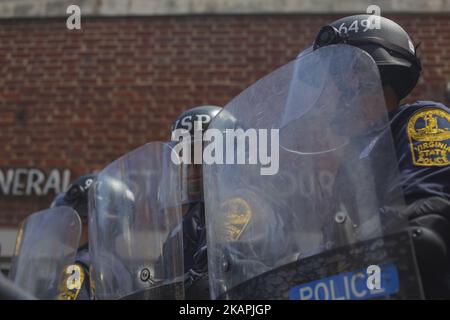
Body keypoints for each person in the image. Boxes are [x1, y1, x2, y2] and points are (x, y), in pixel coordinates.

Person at [313, 14, 450, 297]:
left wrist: (362, 241)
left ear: (359, 78)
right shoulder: (354, 159)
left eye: (331, 78)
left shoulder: (422, 120)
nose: (324, 93)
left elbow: (428, 209)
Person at [169, 105, 222, 299]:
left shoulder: (240, 209)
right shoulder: (190, 220)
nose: (191, 172)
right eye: (187, 162)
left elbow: (205, 282)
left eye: (199, 161)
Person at [52, 173, 97, 300]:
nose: (62, 223)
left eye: (66, 215)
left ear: (83, 219)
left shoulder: (77, 268)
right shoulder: (120, 268)